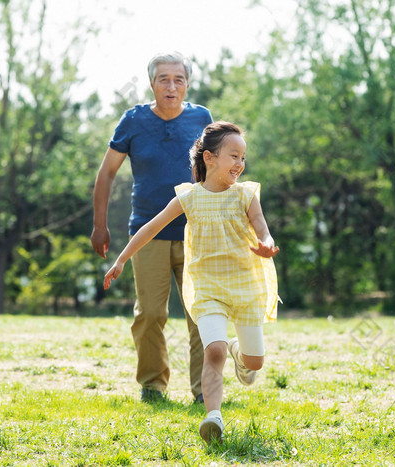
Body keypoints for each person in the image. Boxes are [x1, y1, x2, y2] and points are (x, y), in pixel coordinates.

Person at [103, 121, 280, 443]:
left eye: (243, 158)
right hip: (208, 288)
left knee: (255, 362)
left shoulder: (246, 195)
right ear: (210, 158)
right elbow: (150, 227)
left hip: (245, 286)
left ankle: (241, 354)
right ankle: (214, 417)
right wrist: (121, 258)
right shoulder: (190, 197)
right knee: (214, 351)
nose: (240, 164)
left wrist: (267, 242)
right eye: (234, 156)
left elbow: (261, 226)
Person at [91, 52, 213, 404]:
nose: (171, 86)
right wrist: (100, 226)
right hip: (148, 232)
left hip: (197, 233)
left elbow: (219, 168)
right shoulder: (133, 121)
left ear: (187, 84)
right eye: (164, 79)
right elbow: (107, 173)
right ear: (151, 84)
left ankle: (205, 390)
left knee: (200, 313)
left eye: (178, 79)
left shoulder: (202, 118)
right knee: (150, 313)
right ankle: (152, 386)